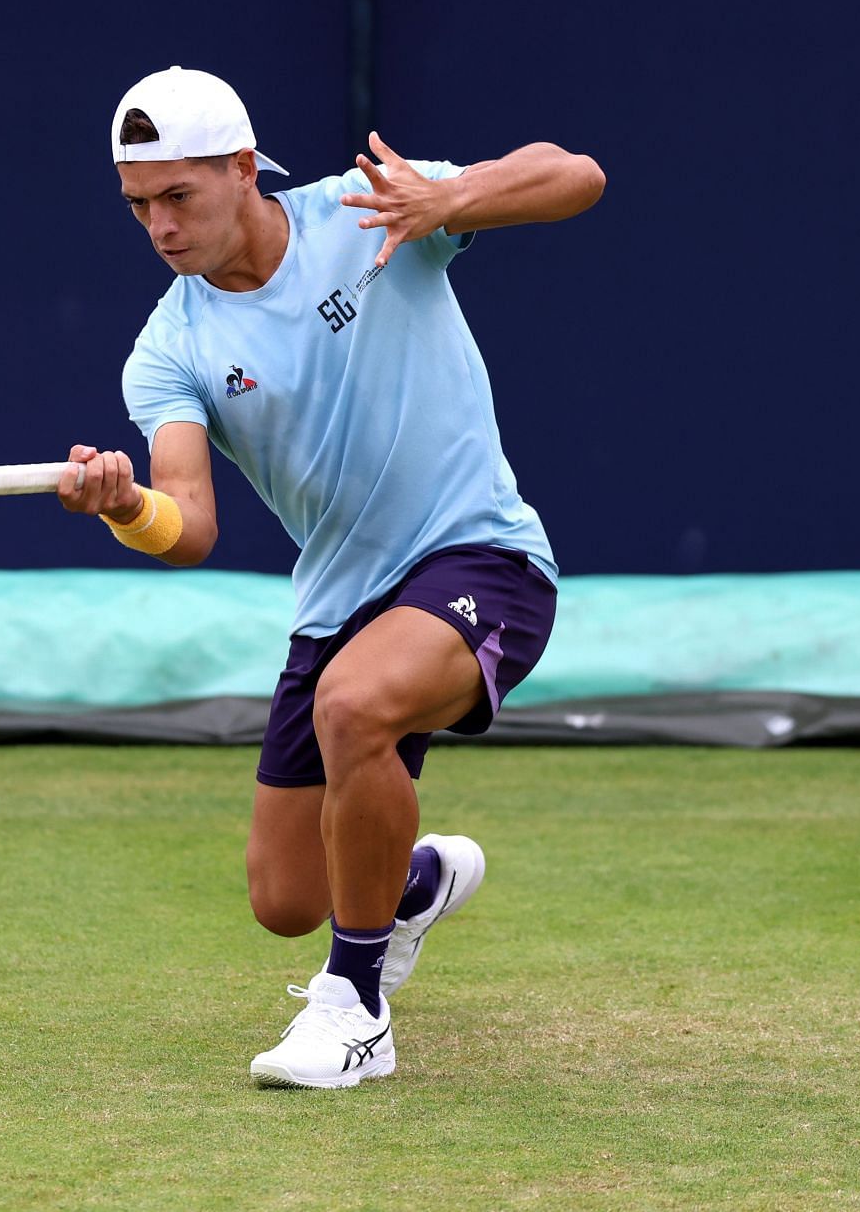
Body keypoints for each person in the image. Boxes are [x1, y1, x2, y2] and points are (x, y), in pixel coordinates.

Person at [59, 66, 603, 1089]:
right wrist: (128, 504)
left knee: (358, 708)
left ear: (240, 169)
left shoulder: (365, 215)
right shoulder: (169, 345)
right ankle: (408, 885)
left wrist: (452, 198)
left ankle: (355, 1006)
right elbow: (190, 523)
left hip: (480, 554)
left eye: (180, 195)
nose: (161, 227)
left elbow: (573, 175)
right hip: (339, 603)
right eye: (139, 206)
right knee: (283, 898)